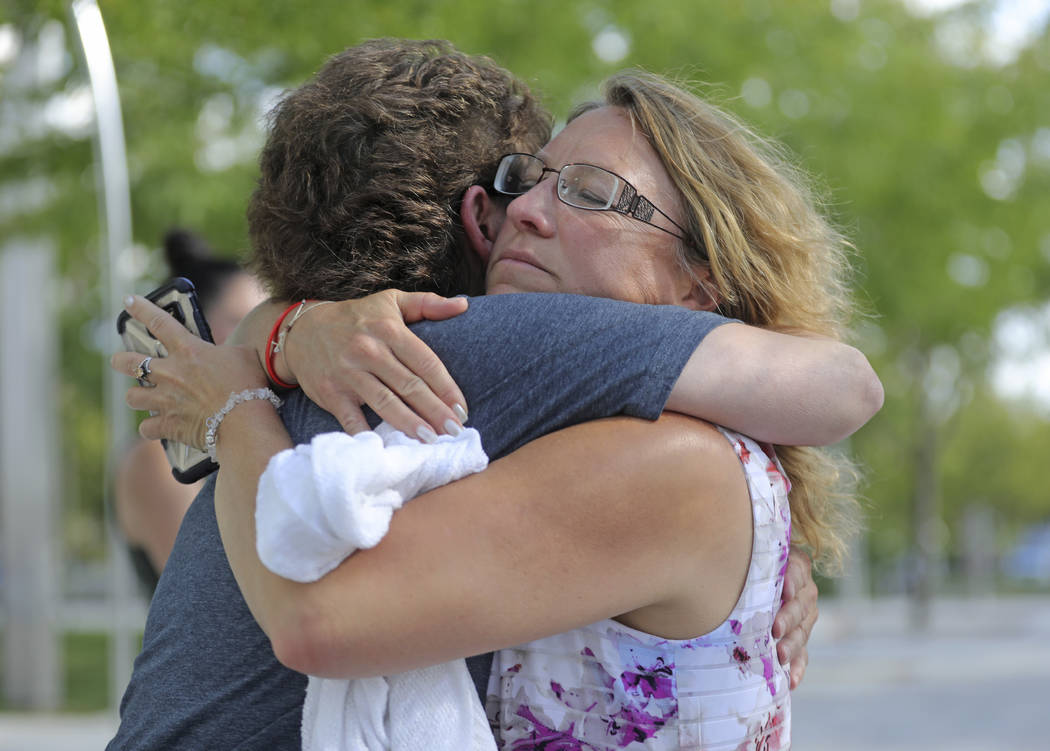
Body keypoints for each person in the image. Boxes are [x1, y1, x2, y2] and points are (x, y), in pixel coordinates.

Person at [111, 42, 878, 751]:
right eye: (529, 179)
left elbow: (847, 386)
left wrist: (238, 396)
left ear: (701, 274)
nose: (531, 210)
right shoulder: (540, 403)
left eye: (591, 191)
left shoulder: (635, 428)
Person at [113, 228, 264, 594]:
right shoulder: (159, 460)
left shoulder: (246, 429)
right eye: (240, 320)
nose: (261, 336)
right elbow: (214, 594)